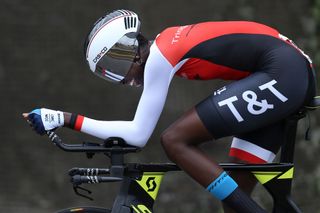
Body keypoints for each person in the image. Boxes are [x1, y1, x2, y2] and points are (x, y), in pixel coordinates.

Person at [23, 9, 316, 213]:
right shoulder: (166, 44)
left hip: (284, 73)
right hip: (286, 72)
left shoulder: (161, 55)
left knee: (174, 140)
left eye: (116, 65)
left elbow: (138, 135)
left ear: (133, 49)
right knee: (235, 198)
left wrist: (64, 119)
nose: (121, 77)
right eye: (109, 73)